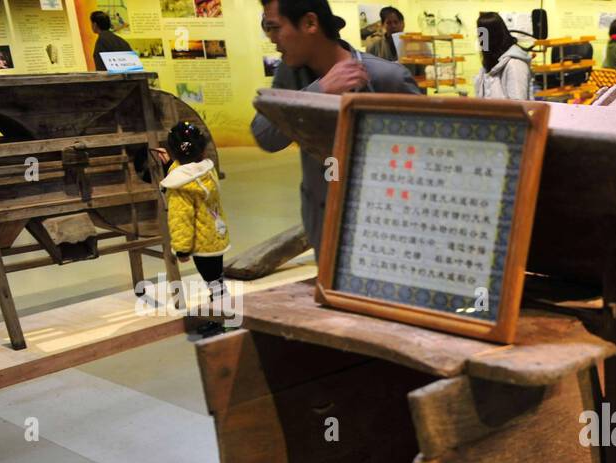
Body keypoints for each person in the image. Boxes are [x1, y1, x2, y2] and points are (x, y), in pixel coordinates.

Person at [251, 0, 420, 257]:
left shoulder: (387, 78)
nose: (272, 39)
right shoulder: (291, 73)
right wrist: (320, 91)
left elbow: (427, 152)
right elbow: (264, 135)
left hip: (383, 232)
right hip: (322, 226)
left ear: (310, 23)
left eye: (275, 27)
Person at [159, 122, 232, 336]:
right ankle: (222, 318)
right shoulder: (207, 170)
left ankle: (226, 321)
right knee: (217, 281)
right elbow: (187, 170)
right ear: (202, 149)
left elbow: (181, 219)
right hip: (215, 237)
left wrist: (181, 250)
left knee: (214, 284)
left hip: (201, 244)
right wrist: (172, 164)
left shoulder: (180, 185)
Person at [473, 13, 532, 100]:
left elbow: (518, 106)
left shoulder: (515, 65)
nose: (480, 40)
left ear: (492, 36)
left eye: (482, 35)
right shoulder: (489, 64)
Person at [364, 6, 425, 82]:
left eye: (396, 22)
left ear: (403, 24)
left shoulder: (415, 45)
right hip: (385, 90)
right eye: (389, 23)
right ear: (383, 25)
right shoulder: (374, 46)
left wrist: (421, 93)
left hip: (409, 90)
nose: (393, 26)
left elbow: (422, 73)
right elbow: (369, 72)